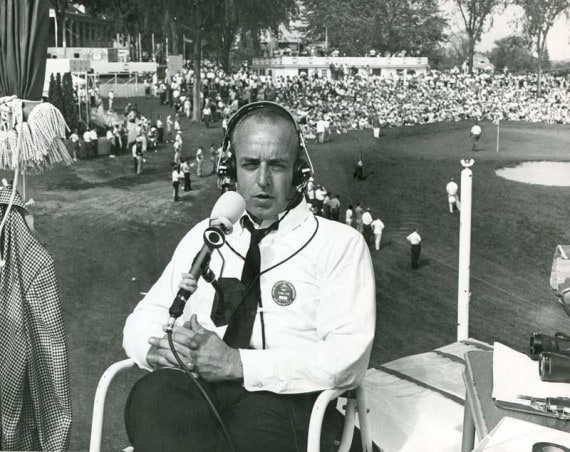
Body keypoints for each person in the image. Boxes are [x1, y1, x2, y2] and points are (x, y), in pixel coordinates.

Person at [122, 101, 375, 452]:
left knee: (251, 424)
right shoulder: (204, 236)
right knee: (154, 395)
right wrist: (159, 350)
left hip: (288, 402)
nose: (263, 181)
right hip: (201, 394)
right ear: (230, 170)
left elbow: (347, 358)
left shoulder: (341, 244)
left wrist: (237, 364)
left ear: (299, 171)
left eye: (277, 166)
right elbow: (143, 319)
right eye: (251, 164)